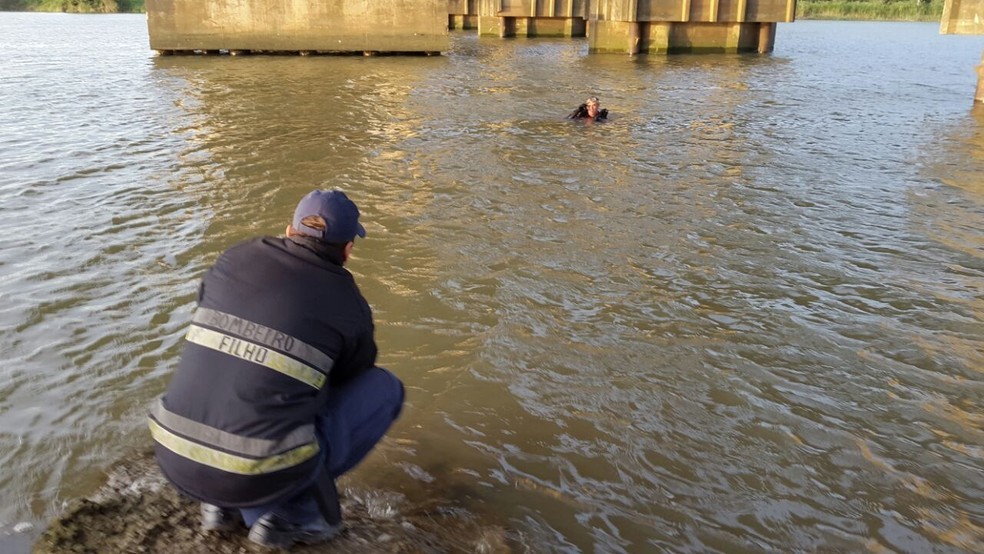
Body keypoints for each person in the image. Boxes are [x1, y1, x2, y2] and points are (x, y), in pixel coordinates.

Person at [149, 189, 404, 549]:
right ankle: (290, 513)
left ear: (288, 230)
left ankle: (219, 505)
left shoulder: (233, 257)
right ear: (348, 250)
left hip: (174, 455)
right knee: (384, 389)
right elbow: (353, 379)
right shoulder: (348, 302)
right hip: (254, 473)